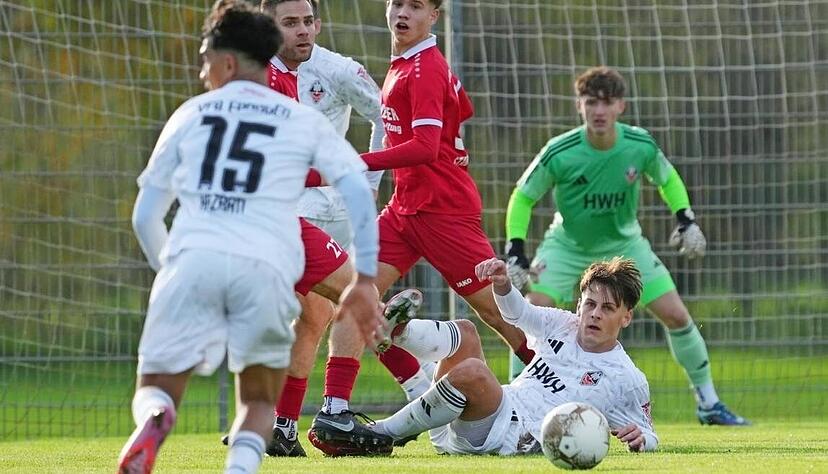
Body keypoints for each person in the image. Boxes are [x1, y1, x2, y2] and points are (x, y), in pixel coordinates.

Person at [117, 2, 383, 472]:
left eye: (205, 61)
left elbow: (145, 218)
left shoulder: (191, 114)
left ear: (226, 63)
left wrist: (171, 270)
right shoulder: (300, 120)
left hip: (192, 258)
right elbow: (359, 192)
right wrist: (363, 279)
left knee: (155, 387)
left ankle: (157, 415)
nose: (202, 73)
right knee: (258, 402)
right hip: (266, 267)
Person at [307, 0, 535, 456]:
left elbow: (428, 147)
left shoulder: (425, 67)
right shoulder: (404, 65)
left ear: (434, 15)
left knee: (500, 314)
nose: (403, 13)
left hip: (444, 213)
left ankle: (562, 385)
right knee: (356, 294)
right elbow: (460, 109)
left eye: (416, 6)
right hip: (405, 210)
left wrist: (358, 162)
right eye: (397, 3)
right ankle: (335, 410)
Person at [504, 66, 748, 425]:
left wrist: (686, 218)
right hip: (568, 245)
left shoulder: (639, 144)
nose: (599, 111)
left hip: (625, 244)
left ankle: (709, 404)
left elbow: (667, 178)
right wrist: (516, 249)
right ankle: (516, 405)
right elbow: (523, 197)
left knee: (676, 315)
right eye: (591, 102)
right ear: (579, 105)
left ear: (621, 106)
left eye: (607, 102)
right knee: (530, 314)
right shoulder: (560, 151)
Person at [256, 0, 434, 457]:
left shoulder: (336, 70)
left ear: (318, 24)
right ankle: (415, 387)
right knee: (340, 306)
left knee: (319, 315)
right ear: (267, 26)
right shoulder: (259, 77)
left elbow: (386, 117)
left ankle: (286, 425)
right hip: (284, 215)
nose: (302, 31)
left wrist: (366, 184)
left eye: (307, 22)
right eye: (290, 23)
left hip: (328, 213)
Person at [318, 257, 659, 455]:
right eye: (590, 304)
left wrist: (645, 440)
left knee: (474, 372)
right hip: (494, 411)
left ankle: (381, 433)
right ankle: (399, 334)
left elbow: (648, 432)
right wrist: (503, 285)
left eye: (608, 308)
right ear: (580, 305)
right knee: (466, 332)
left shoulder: (626, 378)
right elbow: (518, 314)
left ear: (626, 317)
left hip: (513, 437)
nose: (595, 314)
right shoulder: (563, 324)